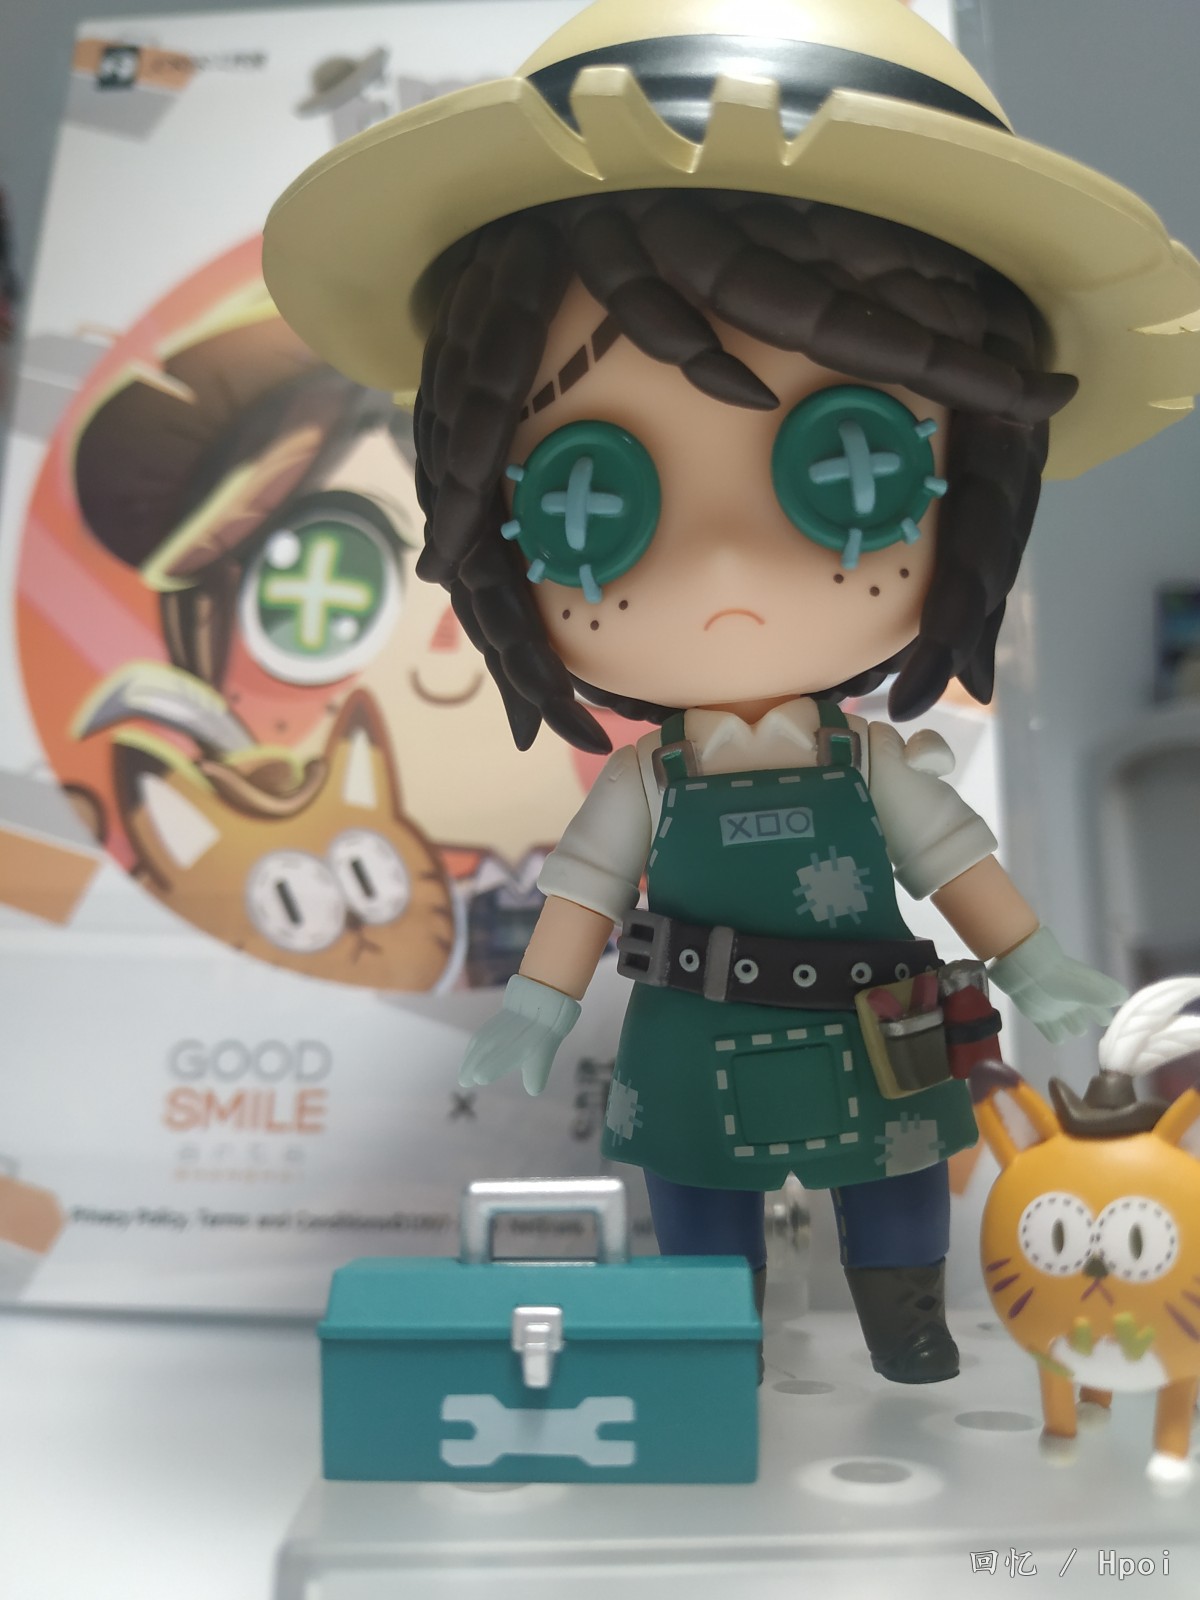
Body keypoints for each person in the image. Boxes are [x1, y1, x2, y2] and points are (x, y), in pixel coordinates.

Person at [264, 0, 1200, 1381]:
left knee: (895, 1181)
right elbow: (588, 891)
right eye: (595, 501)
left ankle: (905, 1329)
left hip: (874, 1031)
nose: (719, 563)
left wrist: (1034, 960)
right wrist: (537, 1004)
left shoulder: (869, 765)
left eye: (846, 467)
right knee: (698, 1204)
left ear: (975, 475)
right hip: (691, 1036)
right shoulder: (650, 782)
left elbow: (953, 860)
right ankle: (711, 1342)